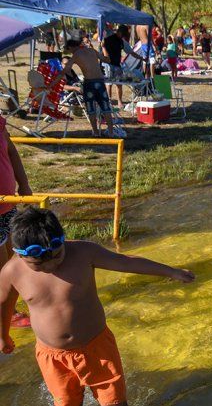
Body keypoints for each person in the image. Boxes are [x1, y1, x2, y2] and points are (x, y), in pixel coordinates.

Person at [0, 207, 195, 406]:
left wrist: (171, 272)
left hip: (97, 348)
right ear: (19, 254)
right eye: (39, 264)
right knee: (66, 402)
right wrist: (3, 336)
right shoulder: (11, 272)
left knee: (115, 402)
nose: (50, 266)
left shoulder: (84, 253)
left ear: (63, 239)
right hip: (53, 357)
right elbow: (4, 305)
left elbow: (125, 262)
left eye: (57, 256)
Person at [50, 40, 122, 138]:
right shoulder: (92, 51)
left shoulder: (75, 55)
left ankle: (96, 132)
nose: (70, 52)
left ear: (71, 47)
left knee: (91, 109)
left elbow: (64, 71)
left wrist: (52, 84)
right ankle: (111, 132)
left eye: (69, 50)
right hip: (100, 82)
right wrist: (104, 47)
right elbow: (107, 60)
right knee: (106, 108)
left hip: (89, 84)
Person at [0, 116, 33, 328]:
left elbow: (11, 151)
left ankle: (17, 301)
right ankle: (6, 312)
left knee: (16, 256)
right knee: (2, 265)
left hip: (8, 203)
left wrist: (24, 184)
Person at [101, 25, 144, 110]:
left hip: (117, 64)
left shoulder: (122, 41)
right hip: (107, 64)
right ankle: (109, 102)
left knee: (119, 84)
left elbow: (131, 52)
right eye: (122, 34)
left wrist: (141, 58)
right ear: (119, 31)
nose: (122, 36)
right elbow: (103, 45)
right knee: (108, 84)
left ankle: (120, 102)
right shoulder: (108, 37)